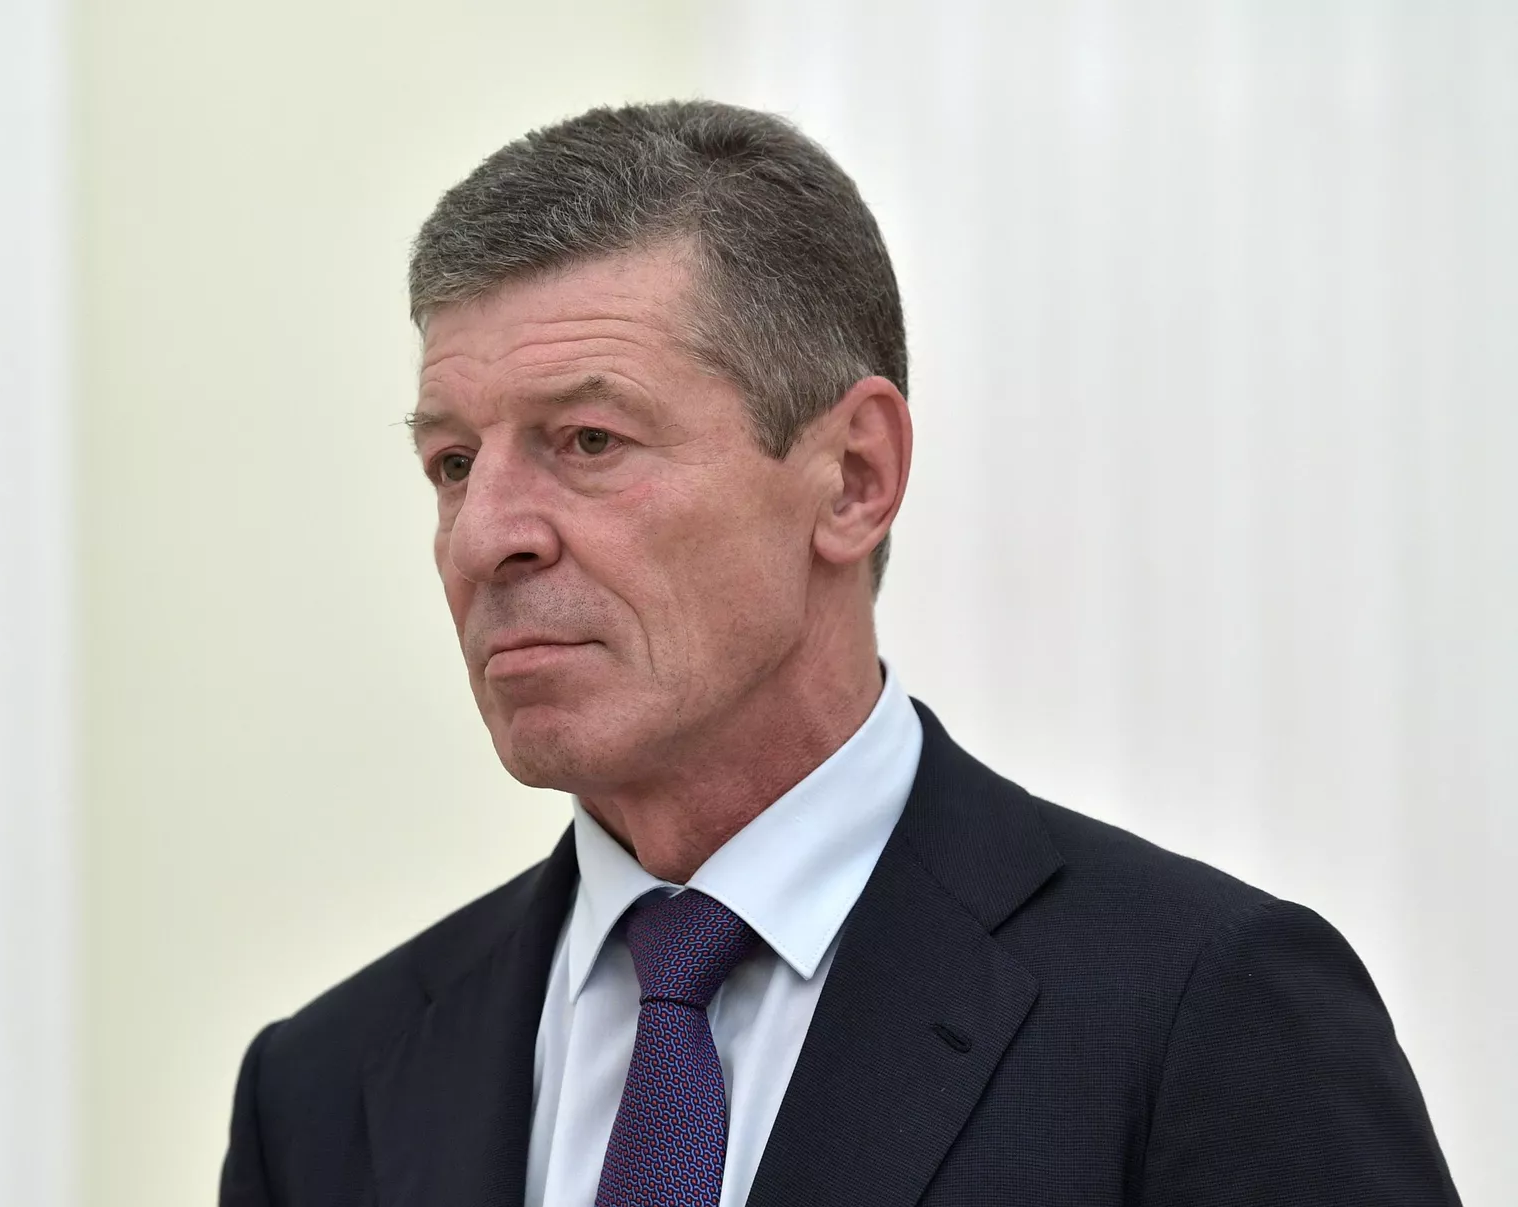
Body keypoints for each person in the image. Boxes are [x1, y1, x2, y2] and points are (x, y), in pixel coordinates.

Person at [219, 101, 1457, 1207]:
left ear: (855, 476)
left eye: (588, 440)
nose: (486, 535)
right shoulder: (323, 1091)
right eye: (451, 463)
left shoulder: (1196, 1011)